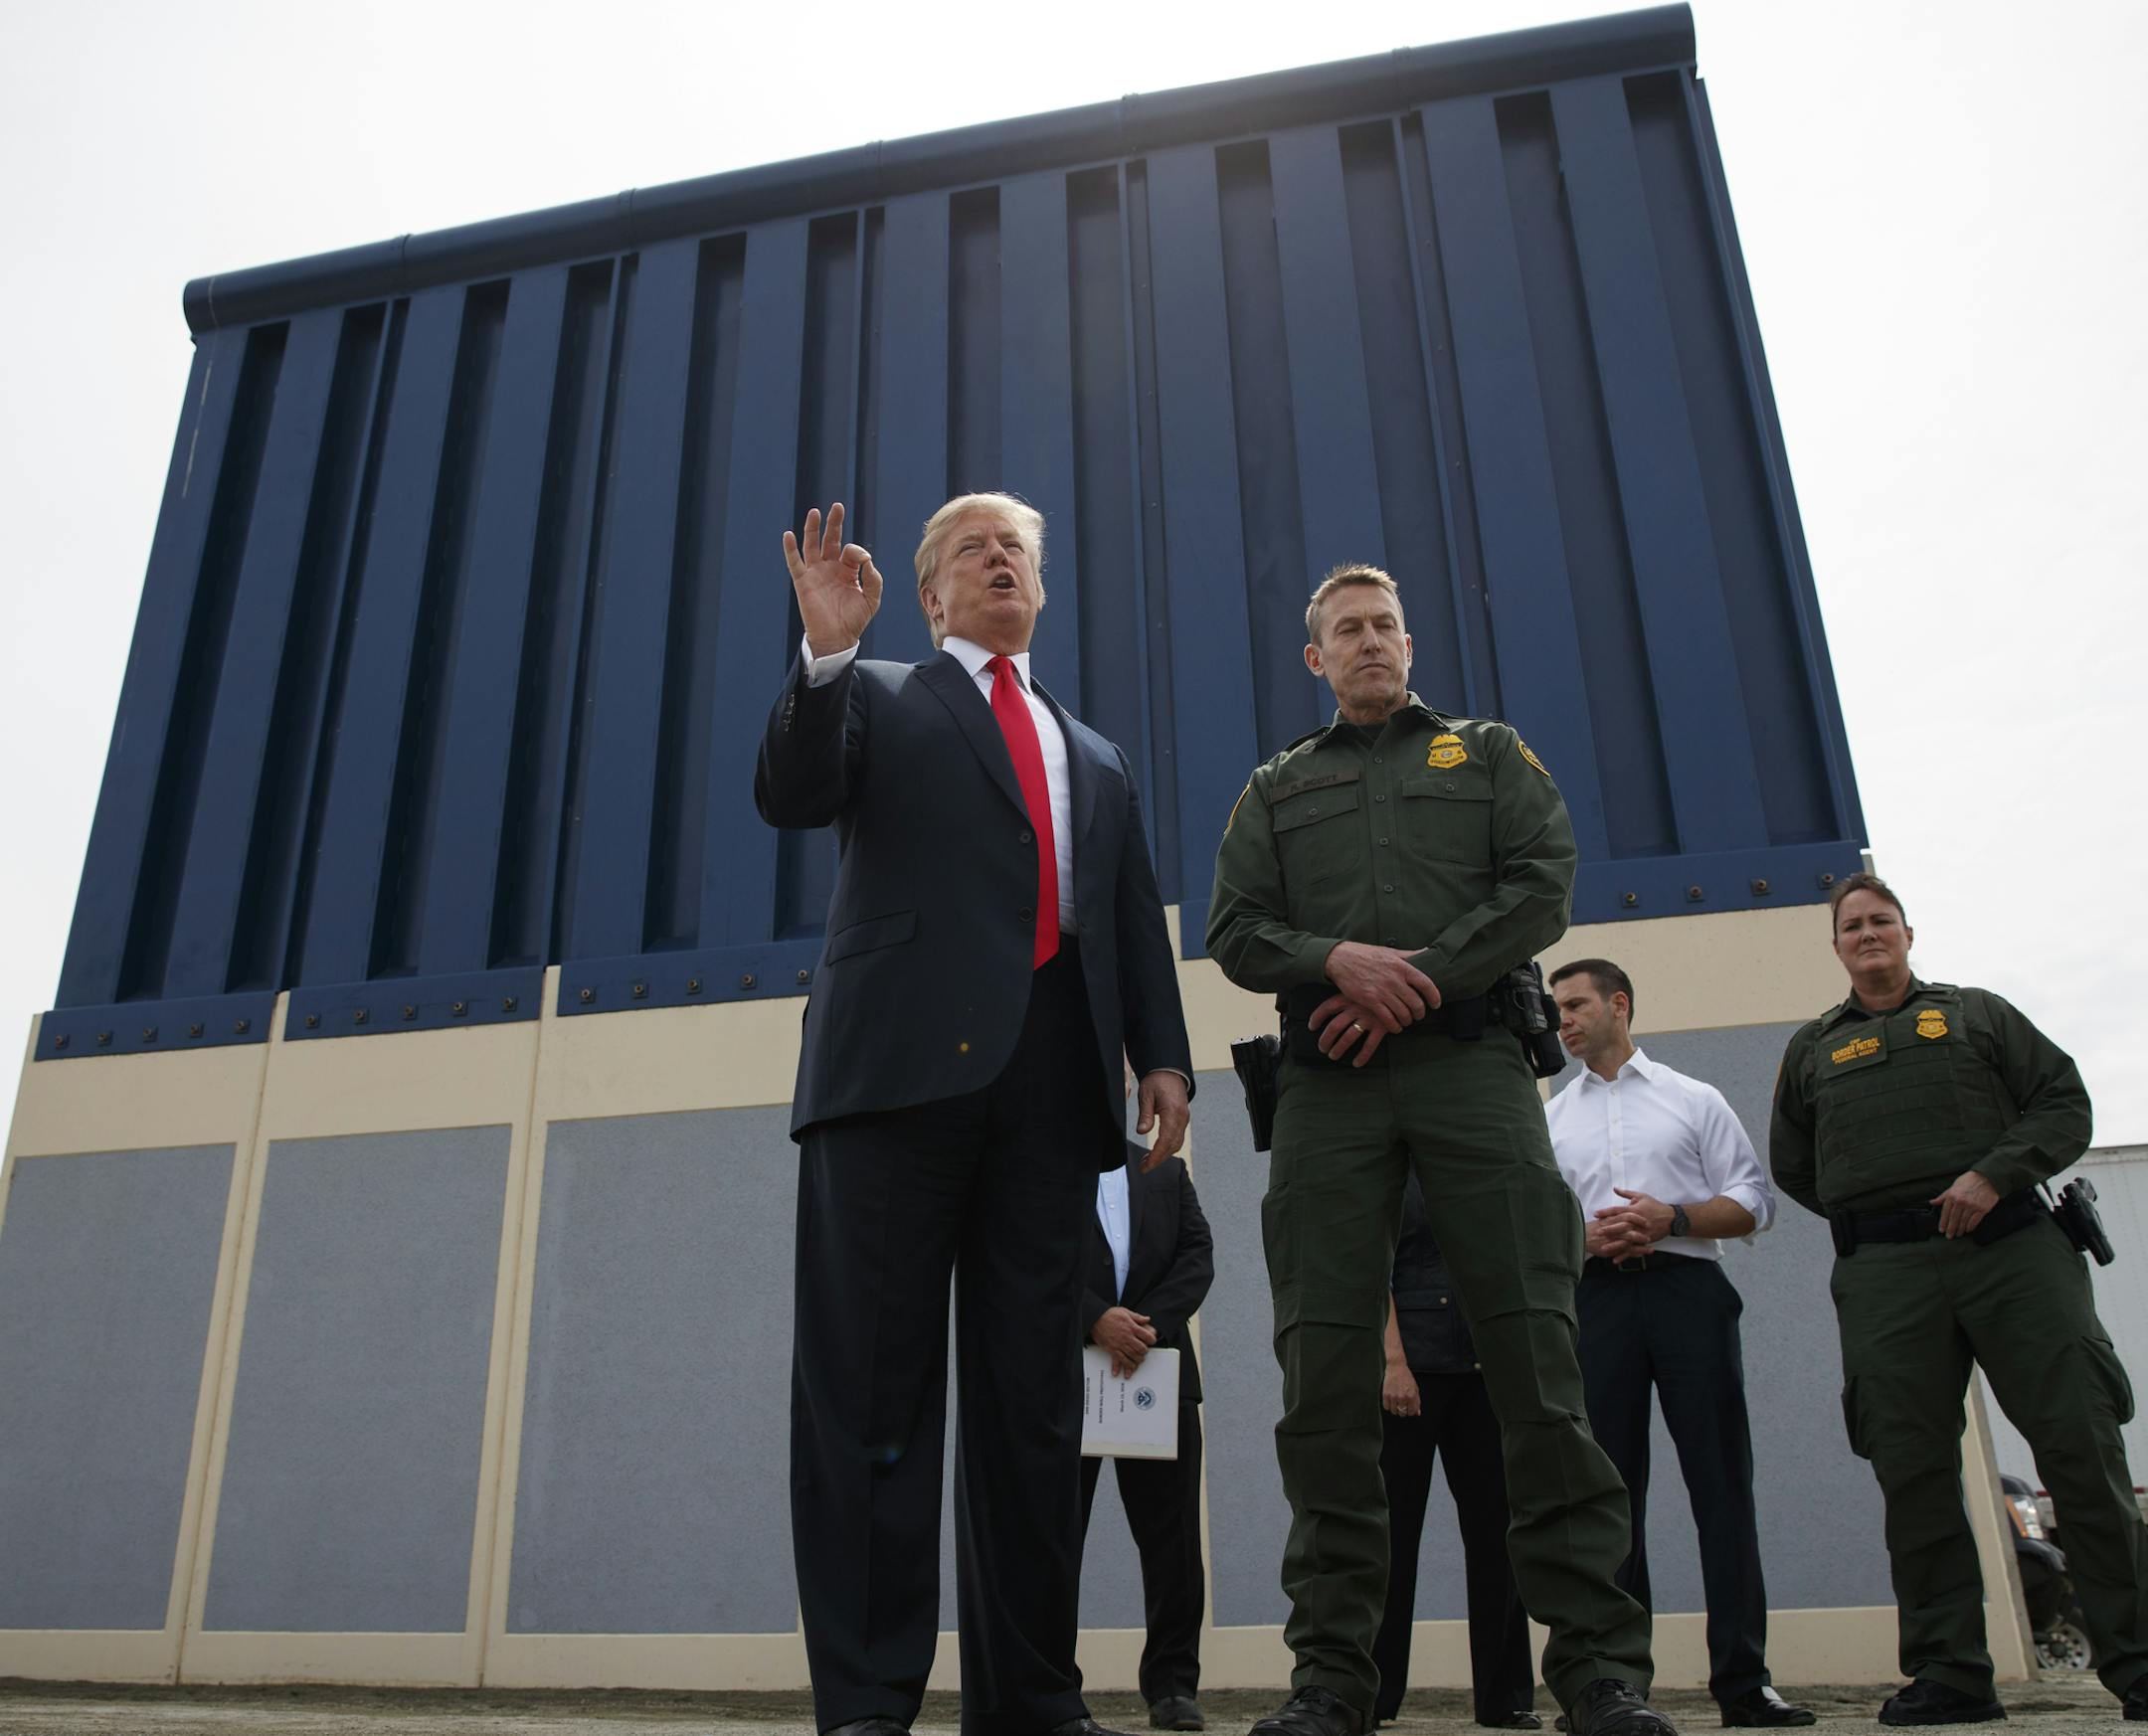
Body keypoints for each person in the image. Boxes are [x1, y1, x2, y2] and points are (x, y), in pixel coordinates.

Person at [757, 496, 1195, 1736]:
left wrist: (1159, 1055)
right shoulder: (882, 695)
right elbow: (790, 791)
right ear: (932, 596)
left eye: (1017, 552)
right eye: (969, 553)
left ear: (1039, 591)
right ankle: (868, 1699)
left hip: (1053, 1102)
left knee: (1032, 1411)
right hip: (893, 1084)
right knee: (872, 1395)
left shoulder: (1096, 755)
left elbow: (1128, 914)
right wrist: (827, 652)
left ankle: (1031, 1699)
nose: (998, 562)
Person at [1205, 563, 1669, 1736]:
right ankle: (1333, 1683)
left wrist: (1412, 983)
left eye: (1384, 626)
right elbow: (1232, 930)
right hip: (1331, 1087)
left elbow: (1540, 889)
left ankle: (1600, 1675)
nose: (1368, 643)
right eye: (1345, 631)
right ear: (1315, 659)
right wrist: (1335, 963)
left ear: (1410, 645)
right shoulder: (1275, 788)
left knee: (1536, 1359)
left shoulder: (1490, 755)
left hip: (1472, 1069)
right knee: (1321, 1379)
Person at [1770, 871, 2148, 1725]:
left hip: (2011, 1253)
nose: (1868, 935)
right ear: (1835, 946)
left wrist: (1992, 1175)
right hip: (1887, 1274)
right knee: (1911, 1469)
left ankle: (2138, 1661)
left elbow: (2063, 1104)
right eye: (1852, 926)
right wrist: (1884, 1214)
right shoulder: (1812, 1049)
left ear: (1908, 933)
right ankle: (1951, 1671)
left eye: (1882, 921)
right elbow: (1798, 1168)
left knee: (2081, 1448)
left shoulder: (1979, 1015)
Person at [1544, 961, 1812, 1730]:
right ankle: (1615, 1687)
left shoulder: (1695, 1099)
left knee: (1721, 1486)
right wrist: (1582, 1239)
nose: (1562, 1022)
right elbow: (1537, 1229)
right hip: (1598, 1303)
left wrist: (1676, 1219)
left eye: (1575, 1006)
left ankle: (1744, 1683)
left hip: (1687, 1293)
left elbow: (1755, 1202)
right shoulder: (1551, 1120)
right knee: (1609, 1499)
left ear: (1618, 1004)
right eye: (1556, 1010)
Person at [1372, 1173, 1537, 1731]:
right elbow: (1374, 1272)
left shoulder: (1481, 1166)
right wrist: (1393, 1363)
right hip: (1410, 1375)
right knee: (1392, 1539)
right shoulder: (1392, 1174)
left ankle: (1505, 1698)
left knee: (1499, 1537)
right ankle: (1374, 1695)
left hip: (1482, 1371)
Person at [1083, 1121, 1215, 1732]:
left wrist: (1145, 1327)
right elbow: (1025, 1255)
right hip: (1069, 1381)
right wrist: (1093, 1320)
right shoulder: (1040, 1167)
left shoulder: (1165, 1169)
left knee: (1173, 1545)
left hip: (1157, 1376)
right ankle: (1050, 1683)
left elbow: (1197, 1257)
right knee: (1052, 1540)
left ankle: (1172, 1687)